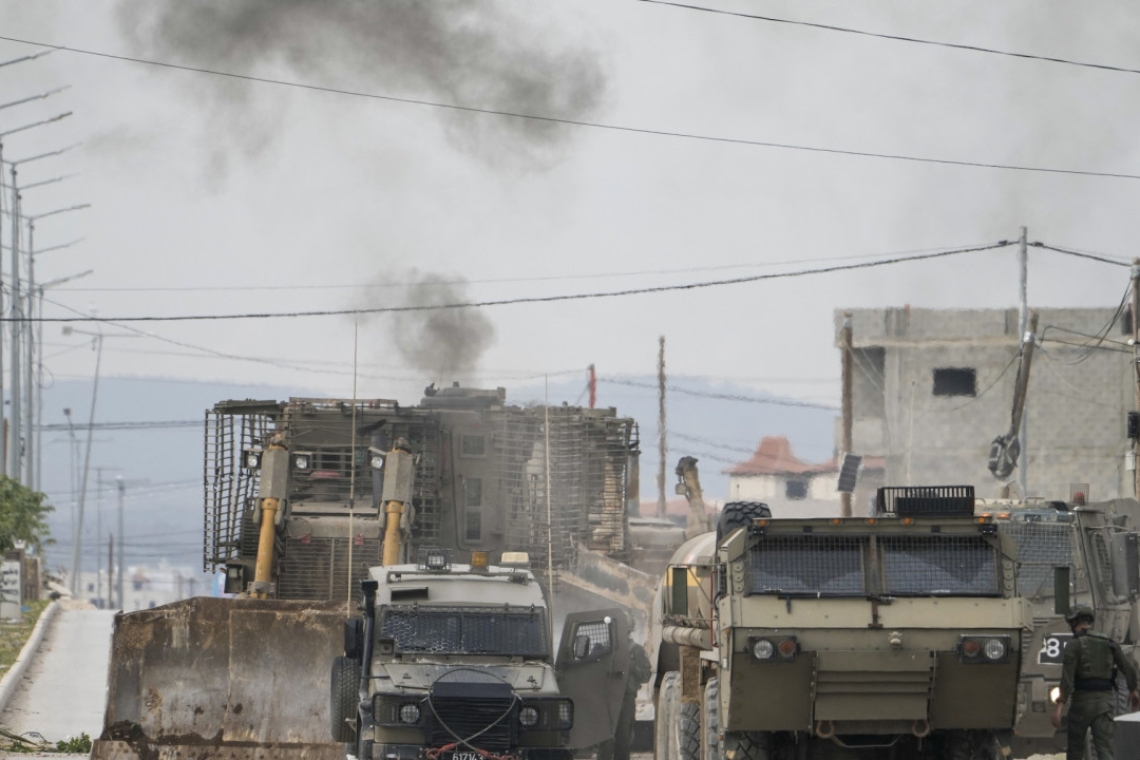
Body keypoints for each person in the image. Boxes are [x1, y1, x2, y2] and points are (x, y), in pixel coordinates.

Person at [1051, 604, 1140, 759]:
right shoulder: (1109, 642)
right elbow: (1129, 668)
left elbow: (1067, 680)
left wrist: (1059, 708)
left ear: (1074, 623)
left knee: (1075, 751)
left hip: (1082, 705)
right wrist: (1133, 690)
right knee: (1105, 750)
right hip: (1105, 704)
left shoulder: (1074, 644)